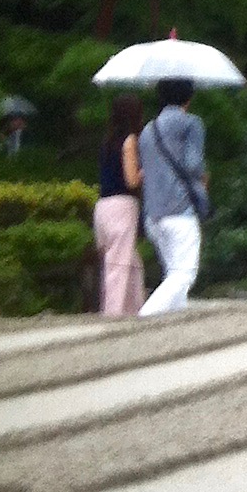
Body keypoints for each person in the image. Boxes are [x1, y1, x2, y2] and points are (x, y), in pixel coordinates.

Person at [138, 79, 209, 316]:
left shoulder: (147, 130)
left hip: (153, 213)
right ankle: (145, 316)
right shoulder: (191, 123)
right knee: (184, 273)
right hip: (180, 209)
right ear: (188, 98)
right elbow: (193, 164)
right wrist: (203, 177)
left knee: (172, 273)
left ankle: (175, 322)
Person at [93, 93, 146, 315]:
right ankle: (113, 313)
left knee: (131, 261)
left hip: (103, 206)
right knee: (119, 263)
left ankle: (135, 309)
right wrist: (147, 171)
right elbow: (131, 180)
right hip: (122, 205)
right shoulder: (130, 140)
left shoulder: (107, 142)